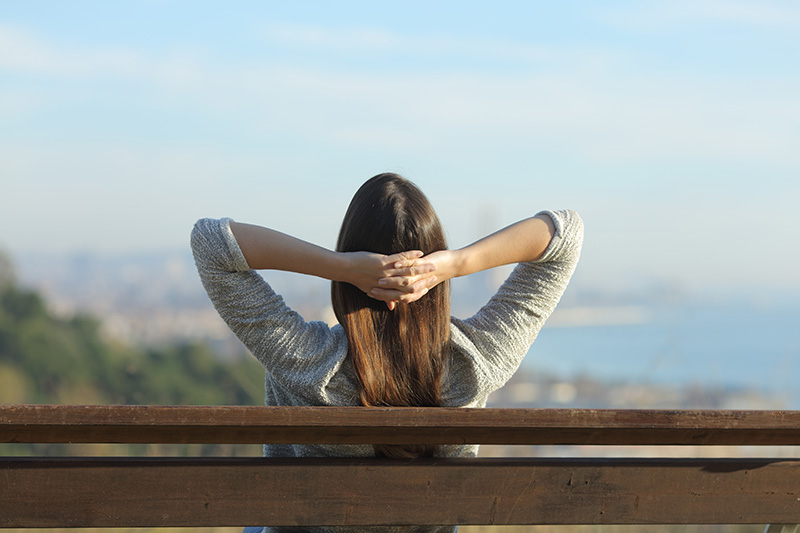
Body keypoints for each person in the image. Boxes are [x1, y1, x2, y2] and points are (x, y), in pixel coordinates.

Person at [190, 172, 584, 532]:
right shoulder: (475, 363)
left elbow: (211, 243)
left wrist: (339, 266)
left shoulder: (309, 362)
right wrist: (457, 263)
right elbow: (565, 234)